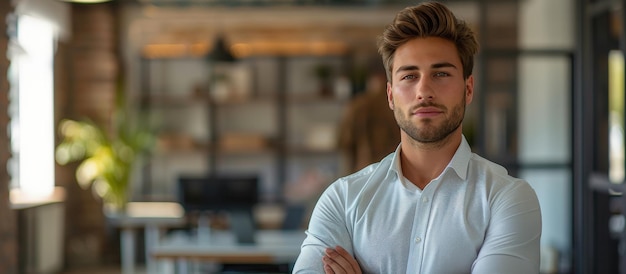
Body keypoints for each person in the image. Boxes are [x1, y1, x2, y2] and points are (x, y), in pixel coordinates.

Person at [292, 2, 542, 274]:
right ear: (390, 95)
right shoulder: (342, 199)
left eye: (441, 74)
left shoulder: (506, 199)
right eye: (410, 75)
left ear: (468, 89)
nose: (424, 90)